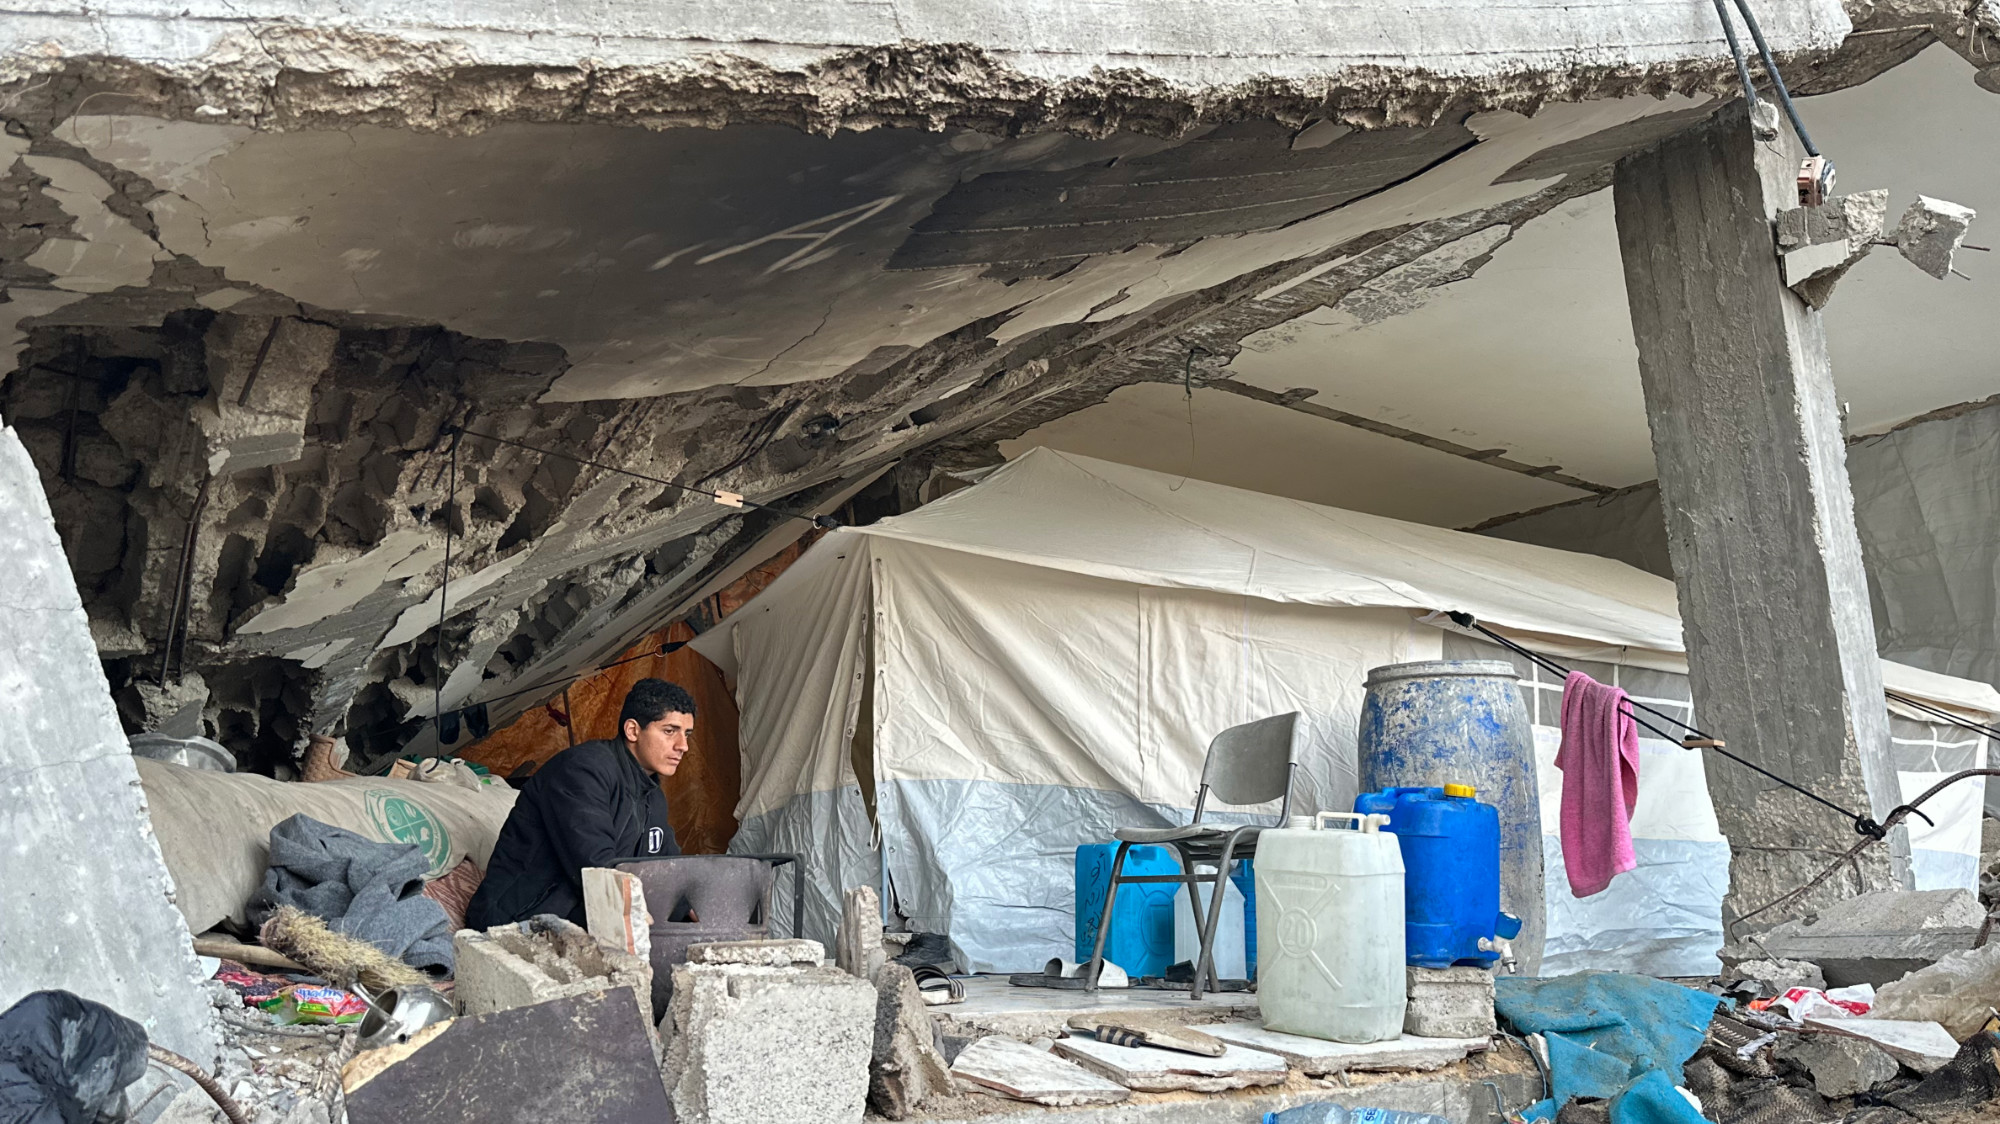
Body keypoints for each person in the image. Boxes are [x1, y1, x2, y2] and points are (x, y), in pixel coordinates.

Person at [465, 677, 693, 931]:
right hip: (515, 919)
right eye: (669, 731)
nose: (683, 746)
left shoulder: (652, 795)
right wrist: (636, 912)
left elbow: (665, 866)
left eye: (687, 734)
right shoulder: (582, 770)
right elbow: (595, 863)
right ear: (633, 730)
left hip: (574, 918)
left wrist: (692, 907)